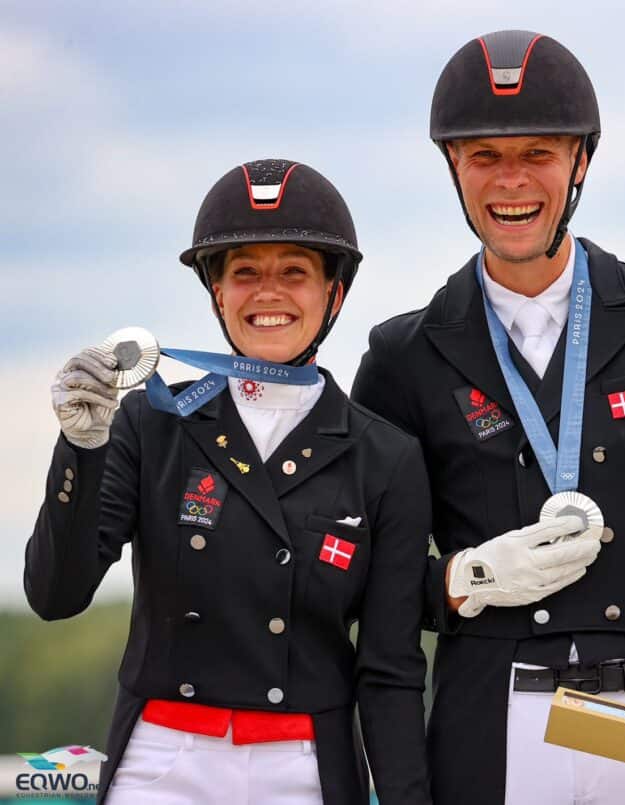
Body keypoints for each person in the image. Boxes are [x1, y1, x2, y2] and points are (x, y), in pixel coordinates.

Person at [352, 30, 625, 805]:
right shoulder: (402, 357)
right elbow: (368, 581)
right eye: (485, 156)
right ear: (452, 167)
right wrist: (463, 582)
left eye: (537, 152)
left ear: (581, 163)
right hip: (490, 720)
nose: (512, 181)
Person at [25, 159, 431, 805]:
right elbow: (54, 593)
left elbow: (388, 672)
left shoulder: (385, 457)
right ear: (218, 292)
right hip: (160, 759)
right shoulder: (151, 423)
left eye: (294, 271)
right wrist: (81, 447)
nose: (267, 292)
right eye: (245, 272)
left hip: (305, 767)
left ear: (335, 292)